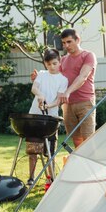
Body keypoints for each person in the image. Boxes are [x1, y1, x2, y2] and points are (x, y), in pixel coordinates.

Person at [33, 29, 97, 148]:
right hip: (67, 104)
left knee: (88, 139)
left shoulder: (88, 56)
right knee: (76, 138)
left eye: (69, 42)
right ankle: (80, 164)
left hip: (85, 102)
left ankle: (90, 165)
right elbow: (53, 78)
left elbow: (82, 77)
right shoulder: (63, 60)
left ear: (78, 40)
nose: (66, 46)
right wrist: (38, 79)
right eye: (63, 43)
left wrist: (67, 92)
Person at [27, 48, 68, 186]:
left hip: (51, 120)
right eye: (49, 64)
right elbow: (34, 88)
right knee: (33, 150)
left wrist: (47, 106)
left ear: (59, 61)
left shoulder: (63, 80)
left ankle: (51, 179)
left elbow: (58, 100)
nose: (52, 67)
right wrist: (39, 95)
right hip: (35, 117)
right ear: (45, 64)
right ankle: (31, 178)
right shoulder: (42, 75)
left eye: (55, 63)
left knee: (50, 152)